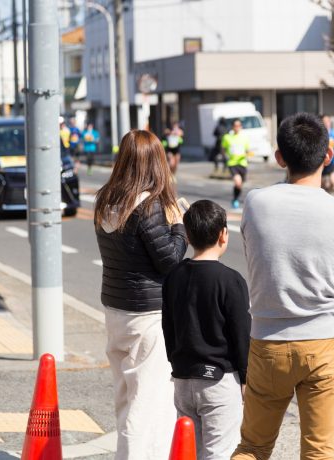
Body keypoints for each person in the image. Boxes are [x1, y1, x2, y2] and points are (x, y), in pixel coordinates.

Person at [232, 112, 334, 459]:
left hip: (267, 343)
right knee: (319, 450)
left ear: (280, 158)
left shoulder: (256, 202)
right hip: (322, 342)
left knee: (253, 446)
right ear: (329, 155)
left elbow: (257, 253)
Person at [94, 130, 188, 460]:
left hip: (116, 311)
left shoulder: (107, 199)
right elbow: (170, 262)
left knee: (126, 397)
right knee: (149, 404)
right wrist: (178, 225)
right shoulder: (147, 207)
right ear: (155, 163)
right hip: (148, 318)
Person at [162, 199, 251, 460]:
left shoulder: (173, 276)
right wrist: (246, 379)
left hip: (183, 378)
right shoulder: (230, 280)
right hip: (219, 380)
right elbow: (241, 335)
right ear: (223, 234)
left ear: (187, 236)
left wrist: (175, 363)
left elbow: (168, 326)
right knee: (219, 453)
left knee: (189, 451)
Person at [221, 119, 251, 209]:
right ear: (233, 127)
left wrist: (248, 155)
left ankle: (235, 198)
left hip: (243, 163)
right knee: (238, 182)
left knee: (240, 185)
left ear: (241, 127)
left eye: (239, 126)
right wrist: (225, 157)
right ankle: (235, 199)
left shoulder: (244, 138)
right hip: (232, 163)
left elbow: (247, 151)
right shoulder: (227, 137)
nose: (237, 128)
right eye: (235, 126)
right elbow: (223, 148)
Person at [320, 114, 334, 193]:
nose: (326, 123)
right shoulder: (319, 134)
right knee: (323, 185)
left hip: (332, 161)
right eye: (324, 121)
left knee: (333, 182)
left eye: (328, 121)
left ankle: (332, 195)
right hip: (322, 161)